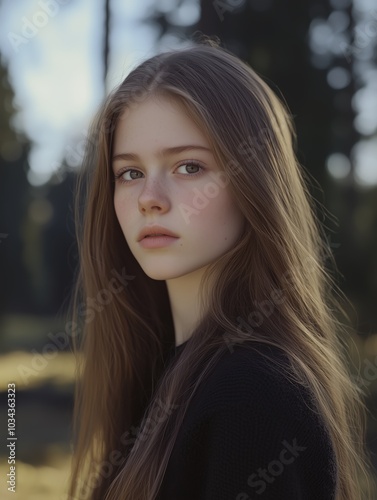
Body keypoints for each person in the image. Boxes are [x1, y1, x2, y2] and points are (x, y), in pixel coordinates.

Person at [67, 36, 373, 499]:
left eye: (189, 167)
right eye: (130, 172)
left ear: (256, 183)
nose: (150, 198)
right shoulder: (161, 375)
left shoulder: (255, 397)